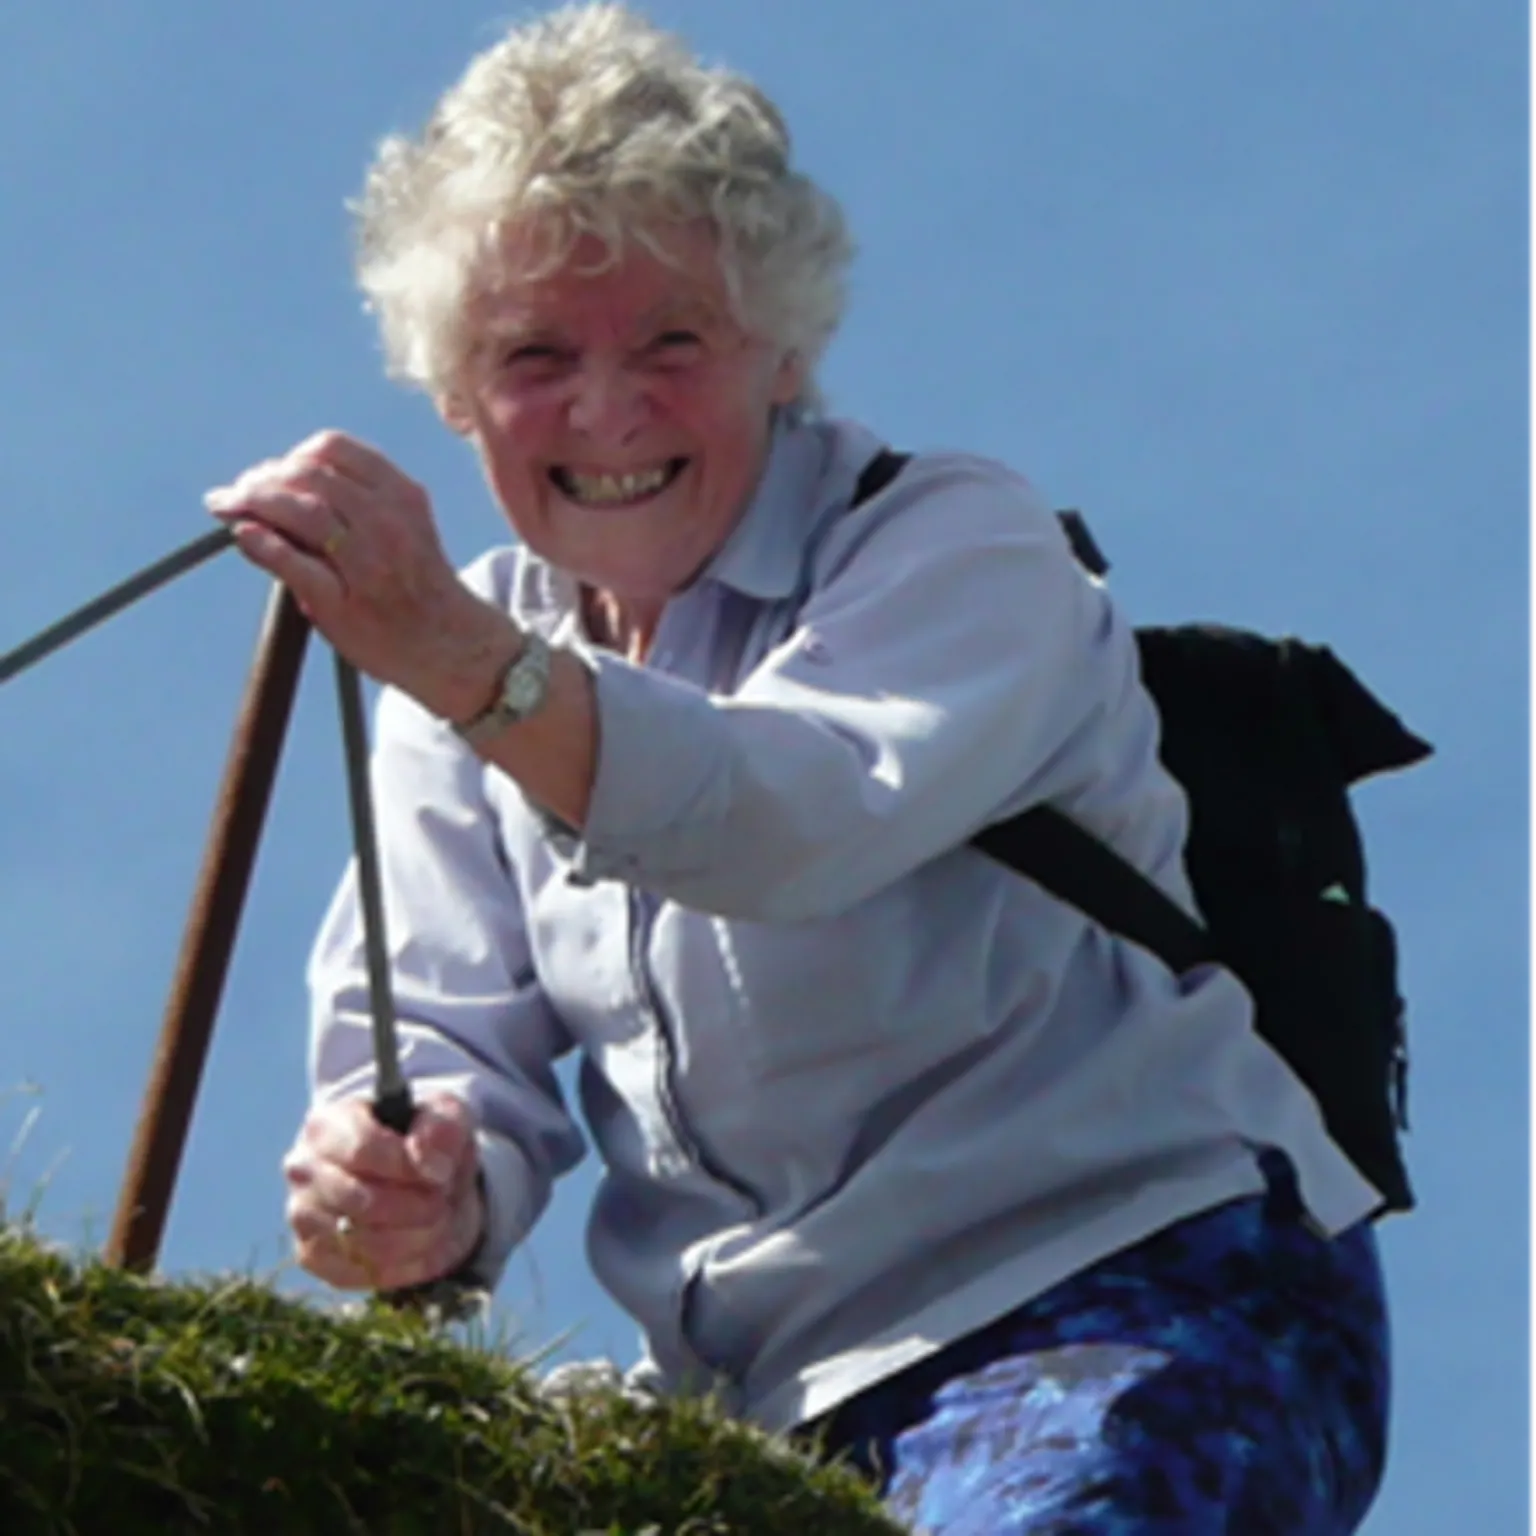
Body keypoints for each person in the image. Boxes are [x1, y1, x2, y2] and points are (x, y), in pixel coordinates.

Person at [205, 5, 1390, 1530]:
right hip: (760, 1410)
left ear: (783, 348)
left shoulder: (961, 547)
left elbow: (779, 818)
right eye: (534, 355)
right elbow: (438, 1041)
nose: (607, 409)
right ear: (451, 391)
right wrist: (415, 1187)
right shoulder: (475, 651)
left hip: (1137, 1297)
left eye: (673, 340)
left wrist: (449, 657)